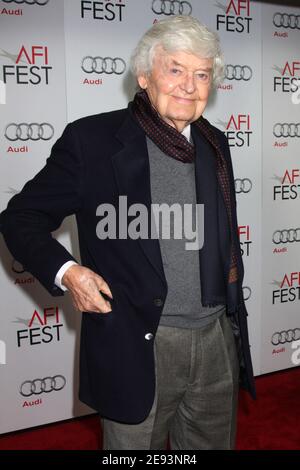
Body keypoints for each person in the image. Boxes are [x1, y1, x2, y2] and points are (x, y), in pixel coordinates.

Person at [0, 16, 255, 450]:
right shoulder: (92, 141)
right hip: (136, 342)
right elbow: (19, 217)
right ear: (144, 76)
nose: (189, 86)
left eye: (201, 74)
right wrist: (68, 272)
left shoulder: (215, 142)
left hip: (215, 340)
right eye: (175, 69)